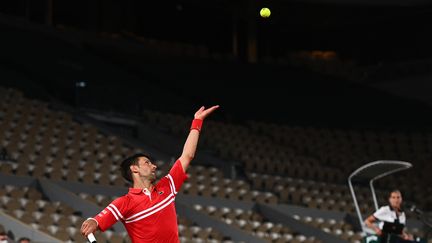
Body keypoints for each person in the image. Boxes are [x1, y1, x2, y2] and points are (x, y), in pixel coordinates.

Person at [81, 105, 219, 243]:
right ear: (134, 169)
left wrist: (197, 121)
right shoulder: (124, 203)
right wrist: (93, 222)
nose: (154, 166)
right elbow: (98, 221)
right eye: (147, 163)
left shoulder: (167, 187)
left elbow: (187, 156)